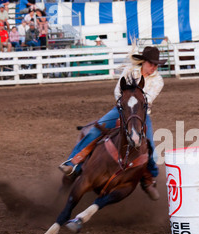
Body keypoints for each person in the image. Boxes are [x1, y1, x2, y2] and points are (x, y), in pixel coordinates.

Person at [59, 46, 167, 200]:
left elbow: (148, 99)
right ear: (143, 62)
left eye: (156, 65)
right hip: (122, 109)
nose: (154, 68)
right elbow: (118, 90)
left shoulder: (158, 80)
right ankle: (72, 163)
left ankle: (149, 180)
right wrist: (125, 103)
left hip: (140, 115)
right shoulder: (130, 71)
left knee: (151, 149)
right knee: (95, 130)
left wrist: (133, 100)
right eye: (151, 64)